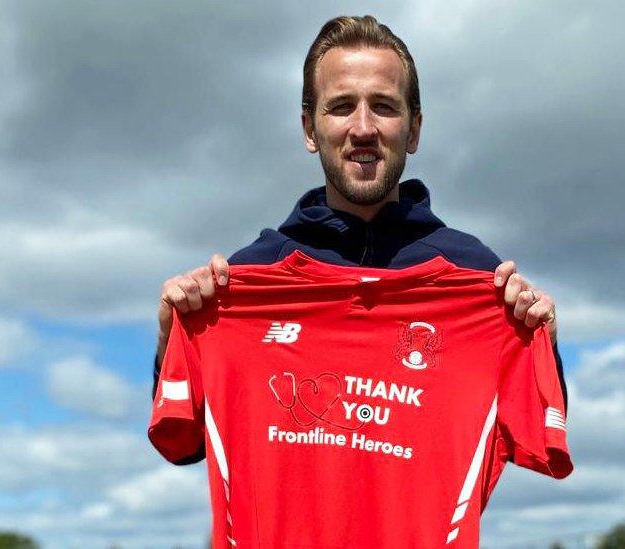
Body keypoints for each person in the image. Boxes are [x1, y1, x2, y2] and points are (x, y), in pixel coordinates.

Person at [152, 15, 565, 466]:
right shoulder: (248, 278)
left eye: (384, 106)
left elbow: (533, 438)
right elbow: (183, 445)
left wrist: (540, 341)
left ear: (415, 129)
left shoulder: (477, 276)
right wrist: (174, 336)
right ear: (310, 129)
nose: (363, 127)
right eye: (342, 106)